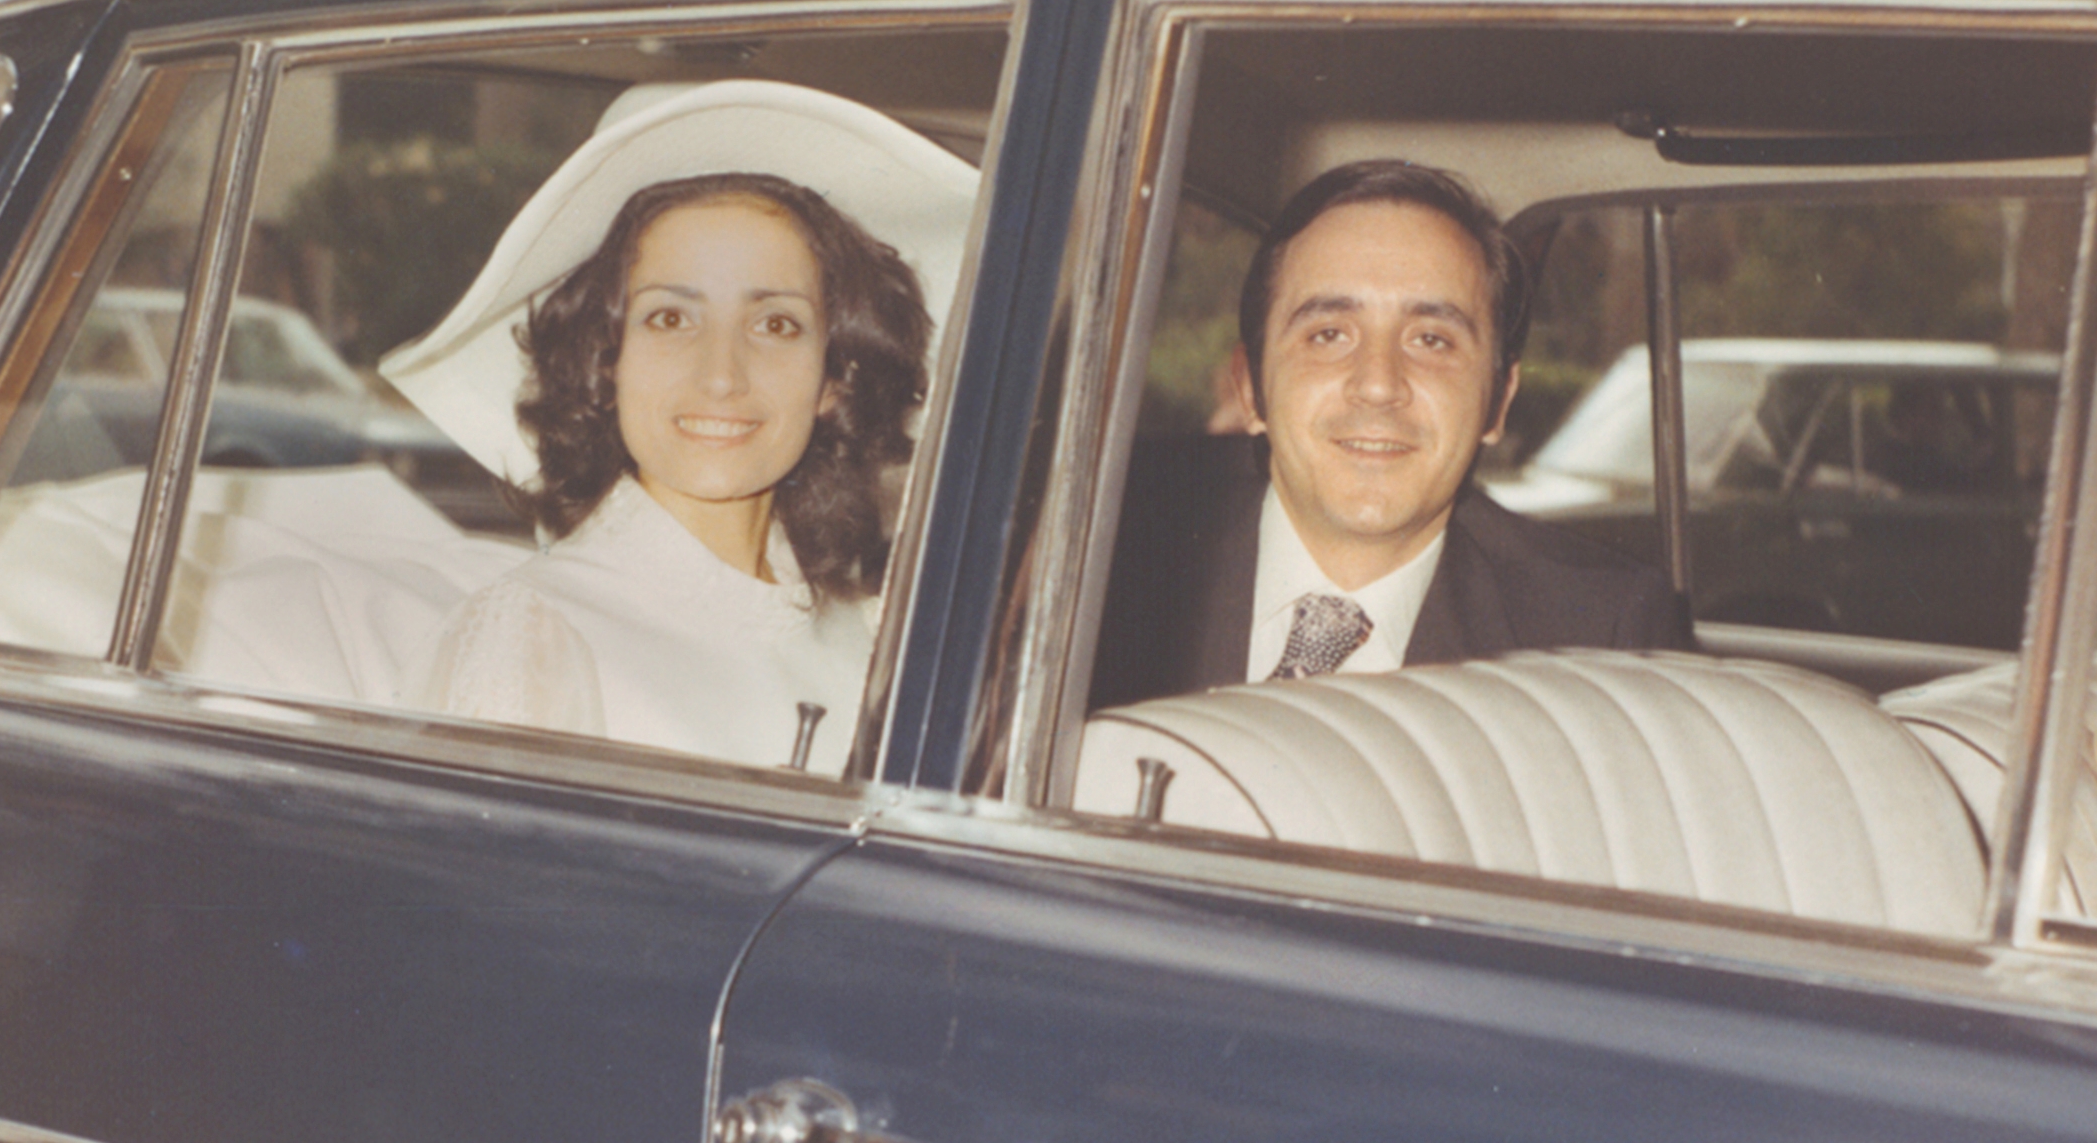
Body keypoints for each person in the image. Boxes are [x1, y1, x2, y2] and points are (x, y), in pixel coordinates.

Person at [378, 81, 976, 769]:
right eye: (670, 318)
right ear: (606, 362)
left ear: (835, 379)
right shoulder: (532, 641)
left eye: (776, 323)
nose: (721, 374)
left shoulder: (872, 636)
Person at [1089, 159, 1685, 711]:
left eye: (1432, 340)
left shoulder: (1602, 639)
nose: (1378, 385)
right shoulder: (1098, 582)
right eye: (1328, 334)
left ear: (1497, 403)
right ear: (1250, 390)